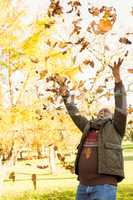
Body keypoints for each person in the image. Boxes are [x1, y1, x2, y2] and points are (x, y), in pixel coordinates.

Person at [53, 57, 127, 200]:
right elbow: (75, 113)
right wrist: (66, 95)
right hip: (82, 186)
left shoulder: (116, 127)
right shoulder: (88, 126)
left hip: (104, 187)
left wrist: (118, 81)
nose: (103, 112)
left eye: (107, 111)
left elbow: (121, 109)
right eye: (101, 111)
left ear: (112, 116)